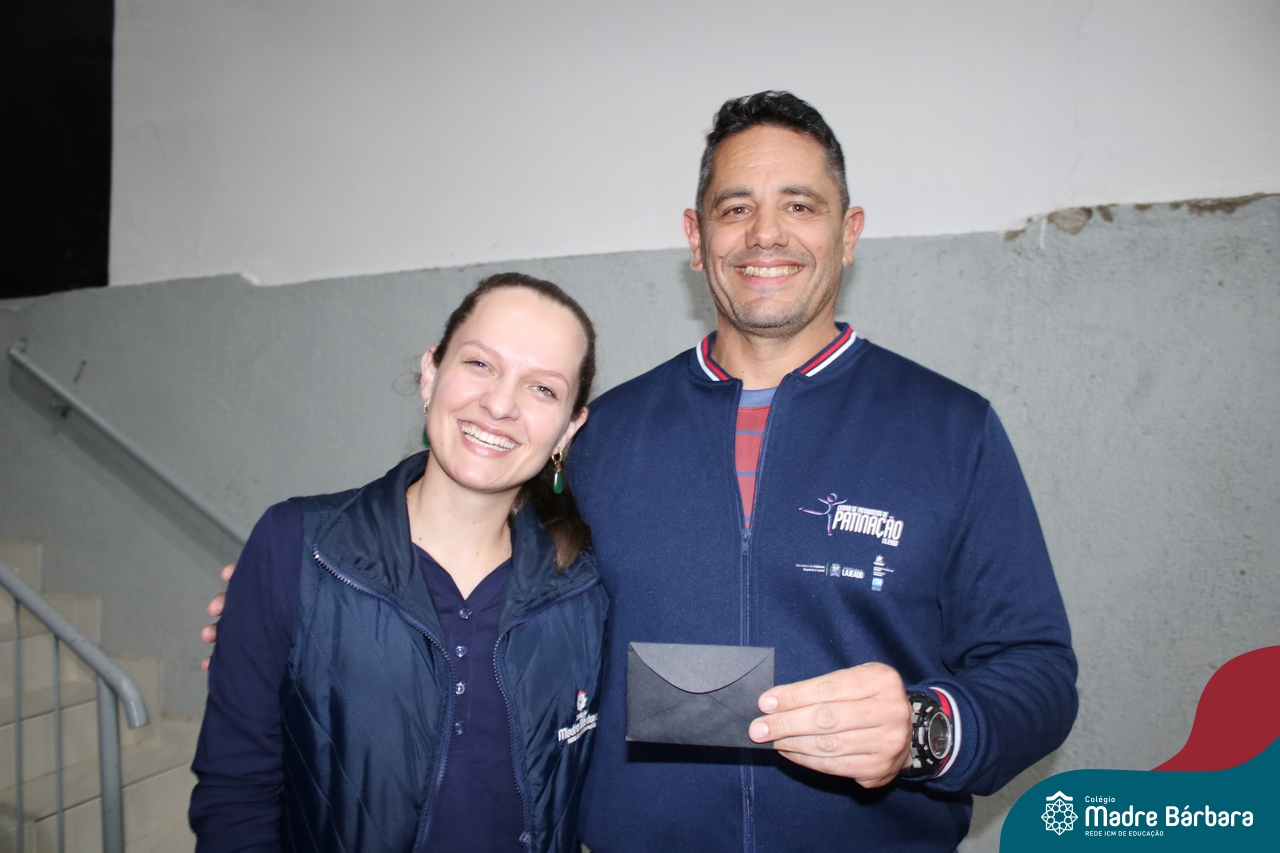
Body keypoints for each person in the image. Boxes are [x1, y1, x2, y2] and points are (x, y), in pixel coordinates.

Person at [205, 92, 1077, 851]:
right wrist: (310, 592)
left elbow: (1036, 670)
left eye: (800, 205)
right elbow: (475, 524)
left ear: (848, 233)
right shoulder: (601, 436)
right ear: (696, 239)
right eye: (735, 208)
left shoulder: (951, 430)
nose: (765, 233)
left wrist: (923, 729)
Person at [190, 273, 608, 853]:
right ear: (431, 374)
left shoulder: (586, 589)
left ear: (569, 427)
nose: (500, 404)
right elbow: (236, 790)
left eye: (542, 388)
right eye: (480, 364)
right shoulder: (299, 549)